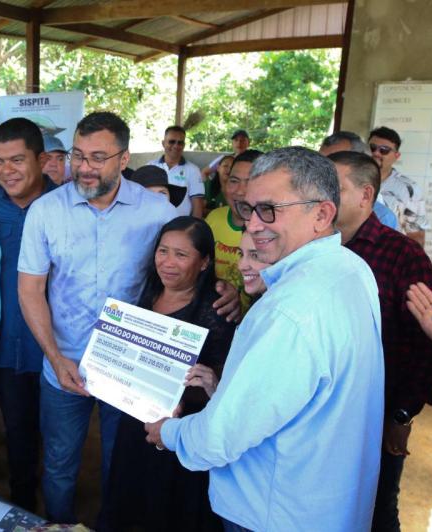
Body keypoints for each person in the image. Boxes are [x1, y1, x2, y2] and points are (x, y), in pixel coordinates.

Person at [18, 111, 242, 524]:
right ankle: (60, 524)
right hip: (65, 362)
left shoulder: (155, 211)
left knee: (120, 463)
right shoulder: (46, 211)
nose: (85, 168)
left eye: (98, 157)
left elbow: (183, 262)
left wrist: (220, 288)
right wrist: (54, 357)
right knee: (59, 462)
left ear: (124, 159)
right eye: (78, 155)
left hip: (132, 368)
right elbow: (30, 288)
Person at [145, 146, 385, 531]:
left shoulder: (290, 310)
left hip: (275, 511)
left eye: (270, 210)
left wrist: (168, 432)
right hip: (325, 500)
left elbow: (221, 435)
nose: (253, 225)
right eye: (248, 209)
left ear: (322, 214)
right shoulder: (351, 269)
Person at [328, 151, 432, 531]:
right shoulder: (313, 246)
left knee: (376, 510)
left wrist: (401, 414)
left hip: (375, 418)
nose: (322, 194)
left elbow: (428, 348)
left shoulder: (403, 255)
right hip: (320, 412)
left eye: (335, 187)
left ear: (365, 196)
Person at [103, 217, 236, 532]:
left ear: (204, 262)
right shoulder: (148, 294)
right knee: (128, 496)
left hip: (179, 433)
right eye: (163, 251)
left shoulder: (216, 310)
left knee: (166, 509)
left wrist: (183, 394)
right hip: (135, 422)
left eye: (181, 254)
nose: (168, 263)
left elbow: (222, 382)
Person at [0, 117, 55, 512]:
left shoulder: (67, 203)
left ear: (41, 160)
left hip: (58, 345)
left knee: (59, 433)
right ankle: (25, 504)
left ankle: (61, 506)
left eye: (17, 160)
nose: (6, 171)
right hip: (7, 345)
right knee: (19, 429)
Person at [205, 150, 263, 294]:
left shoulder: (274, 232)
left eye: (250, 182)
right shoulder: (213, 218)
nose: (240, 191)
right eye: (234, 181)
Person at [319, 131, 399, 231]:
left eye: (338, 159)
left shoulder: (382, 218)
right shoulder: (310, 203)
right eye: (321, 160)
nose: (323, 168)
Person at [368, 126, 428, 246]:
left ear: (396, 156)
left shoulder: (409, 189)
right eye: (372, 148)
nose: (376, 153)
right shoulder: (352, 180)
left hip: (387, 253)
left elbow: (416, 235)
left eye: (384, 150)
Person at [150, 125, 205, 218]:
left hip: (179, 227)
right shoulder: (150, 166)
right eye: (171, 141)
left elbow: (198, 204)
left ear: (184, 145)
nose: (176, 146)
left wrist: (193, 229)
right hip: (153, 224)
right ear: (163, 143)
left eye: (180, 143)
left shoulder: (193, 170)